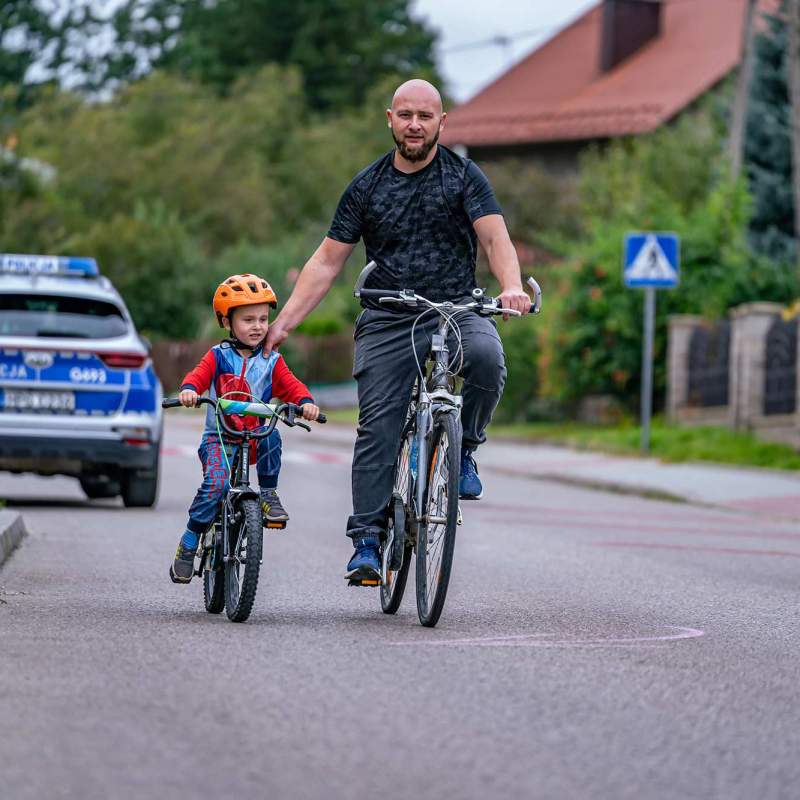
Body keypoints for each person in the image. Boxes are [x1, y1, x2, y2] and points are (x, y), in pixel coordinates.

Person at [265, 79, 531, 584]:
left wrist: (512, 287)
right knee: (378, 425)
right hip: (388, 313)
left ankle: (465, 450)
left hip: (455, 306)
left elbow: (496, 239)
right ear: (390, 119)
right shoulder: (367, 187)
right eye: (405, 115)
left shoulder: (464, 177)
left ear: (441, 123)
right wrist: (284, 323)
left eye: (424, 116)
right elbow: (326, 262)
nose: (414, 125)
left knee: (487, 359)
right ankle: (367, 539)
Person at [170, 273, 321, 584]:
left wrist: (305, 402)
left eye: (263, 319)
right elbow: (197, 377)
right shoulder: (217, 356)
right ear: (227, 322)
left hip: (253, 438)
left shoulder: (271, 361)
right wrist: (189, 390)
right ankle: (190, 541)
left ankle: (268, 494)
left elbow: (291, 385)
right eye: (248, 320)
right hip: (219, 439)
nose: (258, 327)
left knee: (272, 435)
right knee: (216, 486)